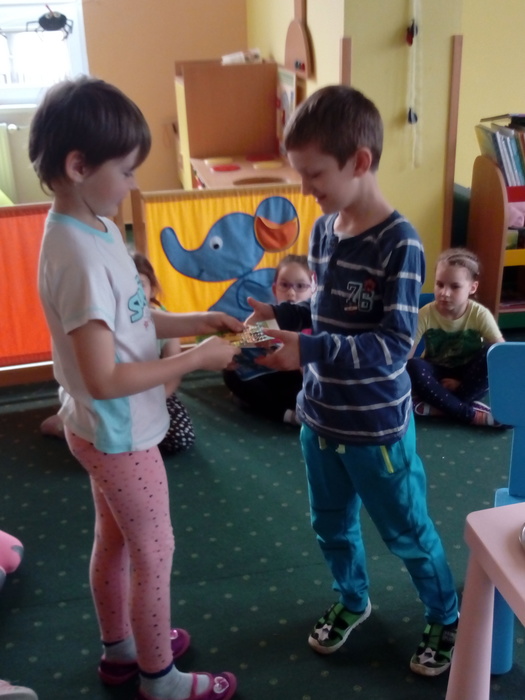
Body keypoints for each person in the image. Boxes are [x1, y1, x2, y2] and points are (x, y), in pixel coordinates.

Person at [30, 76, 240, 700]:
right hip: (120, 433)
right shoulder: (78, 255)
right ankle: (159, 679)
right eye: (125, 172)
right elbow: (105, 377)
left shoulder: (92, 227)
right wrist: (194, 361)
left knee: (117, 540)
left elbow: (133, 320)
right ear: (78, 166)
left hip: (99, 428)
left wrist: (196, 321)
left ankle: (123, 649)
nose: (132, 184)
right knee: (154, 550)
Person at [246, 85, 459, 677]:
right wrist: (280, 315)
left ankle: (445, 615)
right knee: (331, 526)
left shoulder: (400, 243)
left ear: (360, 161)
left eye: (314, 175)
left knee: (407, 531)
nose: (305, 189)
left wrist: (307, 349)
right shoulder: (322, 231)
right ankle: (353, 599)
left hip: (376, 430)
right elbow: (323, 314)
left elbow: (393, 345)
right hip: (320, 420)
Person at [407, 247, 505, 426]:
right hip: (436, 375)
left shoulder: (480, 314)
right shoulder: (425, 314)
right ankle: (469, 413)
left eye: (455, 286)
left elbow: (502, 354)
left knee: (491, 352)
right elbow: (407, 355)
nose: (444, 293)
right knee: (412, 366)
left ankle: (440, 406)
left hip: (467, 377)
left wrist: (461, 383)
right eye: (440, 284)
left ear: (472, 288)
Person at [222, 254, 312, 425]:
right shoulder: (267, 320)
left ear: (313, 290)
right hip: (269, 379)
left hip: (300, 384)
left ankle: (258, 405)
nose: (291, 293)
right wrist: (233, 353)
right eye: (284, 285)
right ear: (274, 289)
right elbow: (236, 342)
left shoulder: (315, 324)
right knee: (231, 374)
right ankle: (289, 416)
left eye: (300, 286)